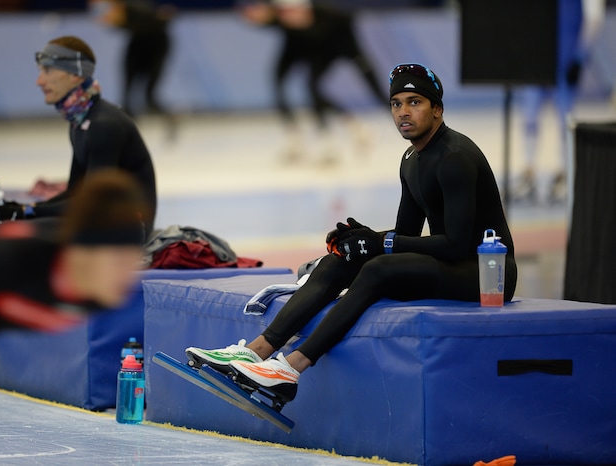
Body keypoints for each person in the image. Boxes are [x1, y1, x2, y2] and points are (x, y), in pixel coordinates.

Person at [186, 63, 517, 405]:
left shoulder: (455, 158)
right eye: (396, 103)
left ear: (437, 109)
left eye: (414, 102)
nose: (403, 112)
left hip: (486, 275)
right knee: (338, 262)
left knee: (378, 269)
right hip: (452, 262)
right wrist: (363, 239)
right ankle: (257, 352)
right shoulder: (411, 160)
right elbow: (405, 234)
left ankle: (290, 369)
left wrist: (379, 245)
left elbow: (457, 244)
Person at [0, 169, 152, 466]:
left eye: (134, 261)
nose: (127, 276)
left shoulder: (95, 294)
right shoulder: (12, 263)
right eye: (118, 261)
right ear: (84, 253)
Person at [0, 35, 157, 231]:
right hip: (107, 219)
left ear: (76, 76)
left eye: (47, 70)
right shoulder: (80, 121)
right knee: (11, 228)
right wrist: (25, 209)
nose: (39, 81)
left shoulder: (104, 125)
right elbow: (74, 193)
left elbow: (92, 204)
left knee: (18, 233)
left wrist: (27, 213)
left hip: (128, 228)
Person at [239, 0, 388, 163]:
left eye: (291, 13)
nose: (286, 17)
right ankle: (300, 138)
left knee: (374, 91)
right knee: (287, 83)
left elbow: (344, 27)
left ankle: (354, 130)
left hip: (334, 48)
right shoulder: (279, 16)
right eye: (283, 13)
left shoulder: (331, 16)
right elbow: (264, 17)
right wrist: (261, 19)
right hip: (298, 47)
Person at [513, 0, 604, 203]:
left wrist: (580, 56)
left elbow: (594, 17)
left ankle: (565, 171)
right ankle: (529, 170)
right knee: (530, 116)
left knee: (565, 119)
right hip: (537, 58)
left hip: (564, 57)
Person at [92, 0, 178, 141]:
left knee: (149, 97)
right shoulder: (119, 15)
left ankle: (170, 119)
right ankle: (127, 134)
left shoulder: (135, 9)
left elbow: (162, 18)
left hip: (157, 46)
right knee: (126, 95)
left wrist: (165, 15)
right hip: (137, 44)